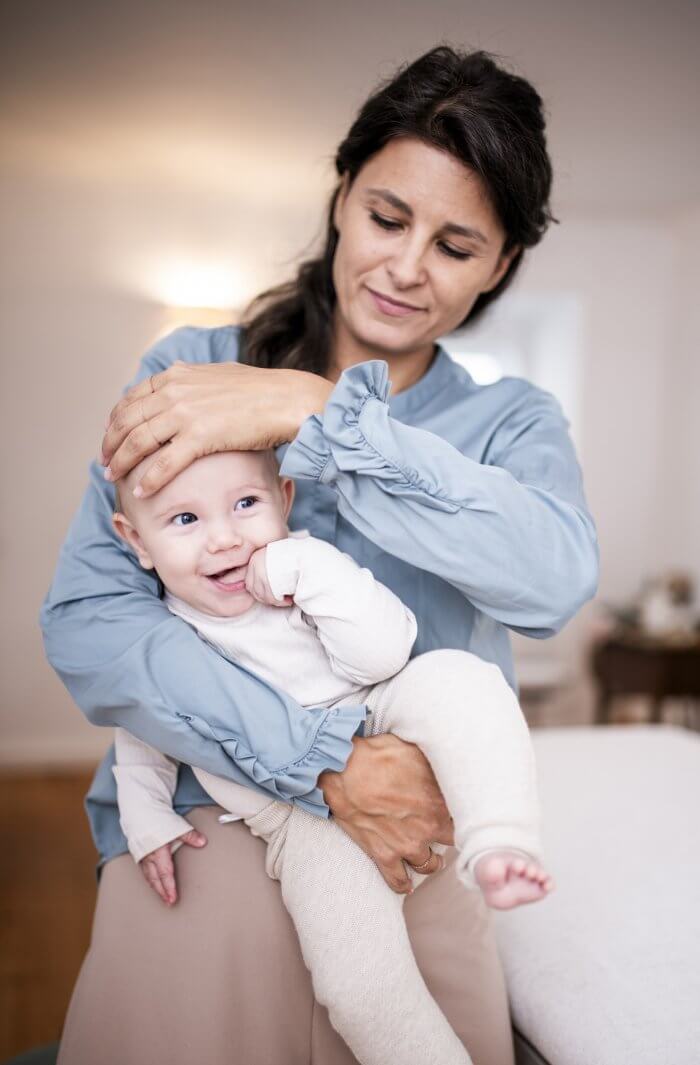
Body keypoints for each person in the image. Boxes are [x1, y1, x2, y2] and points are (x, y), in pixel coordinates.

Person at [41, 45, 598, 1065]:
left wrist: (320, 414)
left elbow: (552, 581)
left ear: (501, 265)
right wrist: (321, 762)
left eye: (456, 244)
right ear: (342, 196)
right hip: (206, 836)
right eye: (387, 217)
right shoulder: (191, 371)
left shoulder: (511, 424)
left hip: (409, 854)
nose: (404, 268)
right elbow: (93, 625)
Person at [110, 445, 551, 1065]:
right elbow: (143, 730)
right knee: (357, 978)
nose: (225, 539)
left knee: (463, 679)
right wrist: (149, 818)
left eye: (246, 504)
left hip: (378, 708)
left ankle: (500, 839)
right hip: (297, 821)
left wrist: (309, 568)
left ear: (284, 501)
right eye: (186, 520)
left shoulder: (308, 567)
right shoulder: (160, 636)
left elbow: (383, 656)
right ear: (137, 541)